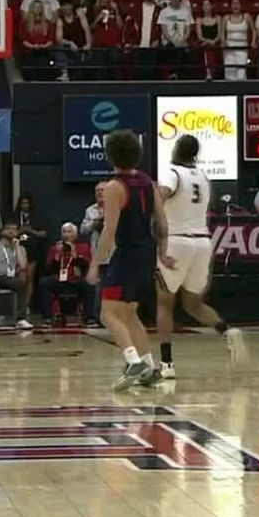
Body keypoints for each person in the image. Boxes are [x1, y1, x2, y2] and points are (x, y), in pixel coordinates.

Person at [86, 129, 174, 390]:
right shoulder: (148, 181)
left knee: (107, 313)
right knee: (129, 312)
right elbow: (162, 221)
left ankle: (133, 361)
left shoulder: (114, 187)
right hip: (146, 251)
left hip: (127, 254)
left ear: (110, 155)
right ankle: (149, 367)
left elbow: (109, 230)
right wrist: (163, 252)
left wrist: (95, 263)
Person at [155, 135, 246, 379]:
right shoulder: (203, 177)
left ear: (176, 150)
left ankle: (166, 364)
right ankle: (226, 331)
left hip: (177, 240)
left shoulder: (172, 173)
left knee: (165, 303)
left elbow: (160, 197)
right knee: (192, 303)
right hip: (202, 242)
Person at [37, 223, 91, 323]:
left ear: (75, 234)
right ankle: (47, 317)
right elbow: (48, 270)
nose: (66, 234)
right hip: (59, 281)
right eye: (64, 232)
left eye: (69, 232)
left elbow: (85, 267)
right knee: (44, 282)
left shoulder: (83, 247)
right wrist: (57, 256)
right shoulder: (55, 248)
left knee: (89, 286)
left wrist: (75, 255)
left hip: (75, 281)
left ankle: (89, 318)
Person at [79, 181, 107, 325]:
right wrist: (94, 224)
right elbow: (83, 230)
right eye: (97, 191)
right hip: (96, 253)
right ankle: (96, 316)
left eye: (103, 190)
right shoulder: (90, 210)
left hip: (114, 252)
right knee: (97, 286)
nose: (100, 193)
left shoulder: (117, 207)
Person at [157, 0, 193, 79]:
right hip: (168, 42)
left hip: (182, 42)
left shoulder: (186, 12)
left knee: (184, 52)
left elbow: (188, 30)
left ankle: (175, 75)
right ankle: (175, 74)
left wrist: (182, 40)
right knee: (173, 50)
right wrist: (173, 41)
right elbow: (164, 31)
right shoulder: (164, 12)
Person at [54, 0, 92, 81]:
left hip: (80, 47)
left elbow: (87, 30)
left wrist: (88, 44)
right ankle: (64, 72)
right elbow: (59, 39)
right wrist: (70, 43)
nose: (66, 8)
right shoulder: (60, 20)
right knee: (58, 48)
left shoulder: (80, 16)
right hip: (68, 48)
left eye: (68, 5)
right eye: (64, 6)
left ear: (71, 6)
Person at [20, 0, 56, 80]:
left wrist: (44, 46)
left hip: (44, 51)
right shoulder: (25, 23)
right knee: (31, 60)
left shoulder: (47, 23)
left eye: (39, 7)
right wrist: (32, 46)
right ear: (31, 8)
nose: (37, 9)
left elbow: (51, 39)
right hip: (29, 51)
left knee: (45, 61)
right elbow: (23, 40)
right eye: (35, 7)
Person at [222, 0, 253, 80]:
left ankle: (242, 92)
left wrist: (253, 42)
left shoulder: (247, 16)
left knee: (241, 73)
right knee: (230, 73)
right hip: (229, 48)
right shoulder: (226, 18)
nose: (235, 6)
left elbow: (254, 30)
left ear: (241, 6)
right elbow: (222, 33)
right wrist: (223, 42)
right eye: (233, 4)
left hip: (242, 48)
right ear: (231, 6)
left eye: (237, 4)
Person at [195, 0, 222, 80]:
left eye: (208, 5)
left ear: (212, 6)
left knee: (211, 49)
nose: (206, 7)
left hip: (215, 43)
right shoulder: (199, 20)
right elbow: (200, 36)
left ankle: (213, 71)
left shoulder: (217, 18)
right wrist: (209, 41)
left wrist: (214, 41)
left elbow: (219, 34)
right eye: (204, 5)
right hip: (204, 43)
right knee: (207, 49)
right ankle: (209, 72)